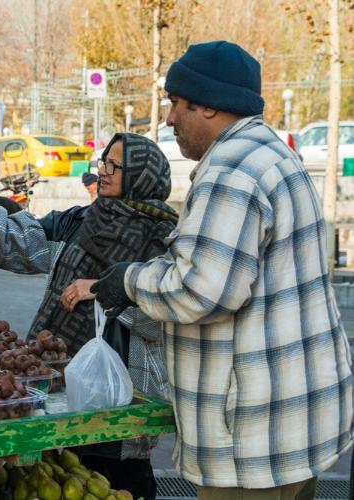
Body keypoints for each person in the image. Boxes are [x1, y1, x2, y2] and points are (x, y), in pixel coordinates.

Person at [92, 41, 354, 499]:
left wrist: (129, 280)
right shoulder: (271, 152)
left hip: (252, 443)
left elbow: (203, 290)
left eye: (175, 103)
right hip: (296, 423)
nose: (169, 119)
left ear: (208, 106)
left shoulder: (231, 171)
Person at [0, 134, 178, 500]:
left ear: (143, 176)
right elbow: (22, 239)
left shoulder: (167, 242)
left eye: (115, 165)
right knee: (58, 476)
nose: (104, 171)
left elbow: (167, 311)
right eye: (104, 162)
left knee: (118, 482)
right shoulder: (81, 221)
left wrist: (104, 287)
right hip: (56, 382)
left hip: (122, 394)